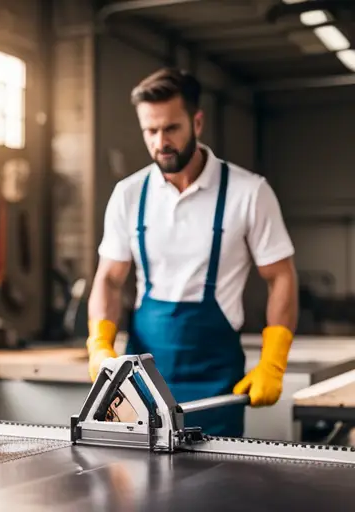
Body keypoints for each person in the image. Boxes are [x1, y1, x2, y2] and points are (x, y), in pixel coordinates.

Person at [85, 67, 298, 437]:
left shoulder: (249, 192)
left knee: (213, 488)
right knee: (133, 487)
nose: (160, 142)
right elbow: (109, 277)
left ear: (197, 123)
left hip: (215, 381)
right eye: (150, 131)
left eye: (171, 128)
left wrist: (274, 361)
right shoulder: (129, 194)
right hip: (140, 381)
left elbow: (280, 275)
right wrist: (99, 345)